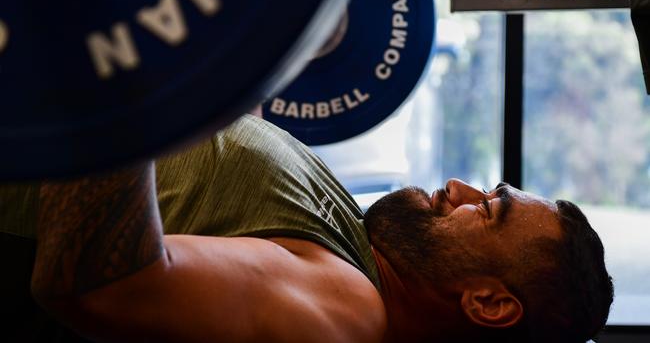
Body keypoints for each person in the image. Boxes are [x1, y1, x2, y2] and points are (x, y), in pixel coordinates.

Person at [2, 114, 612, 343]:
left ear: (488, 302)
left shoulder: (348, 312)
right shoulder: (354, 250)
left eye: (486, 211)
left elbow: (106, 285)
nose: (458, 191)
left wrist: (108, 65)